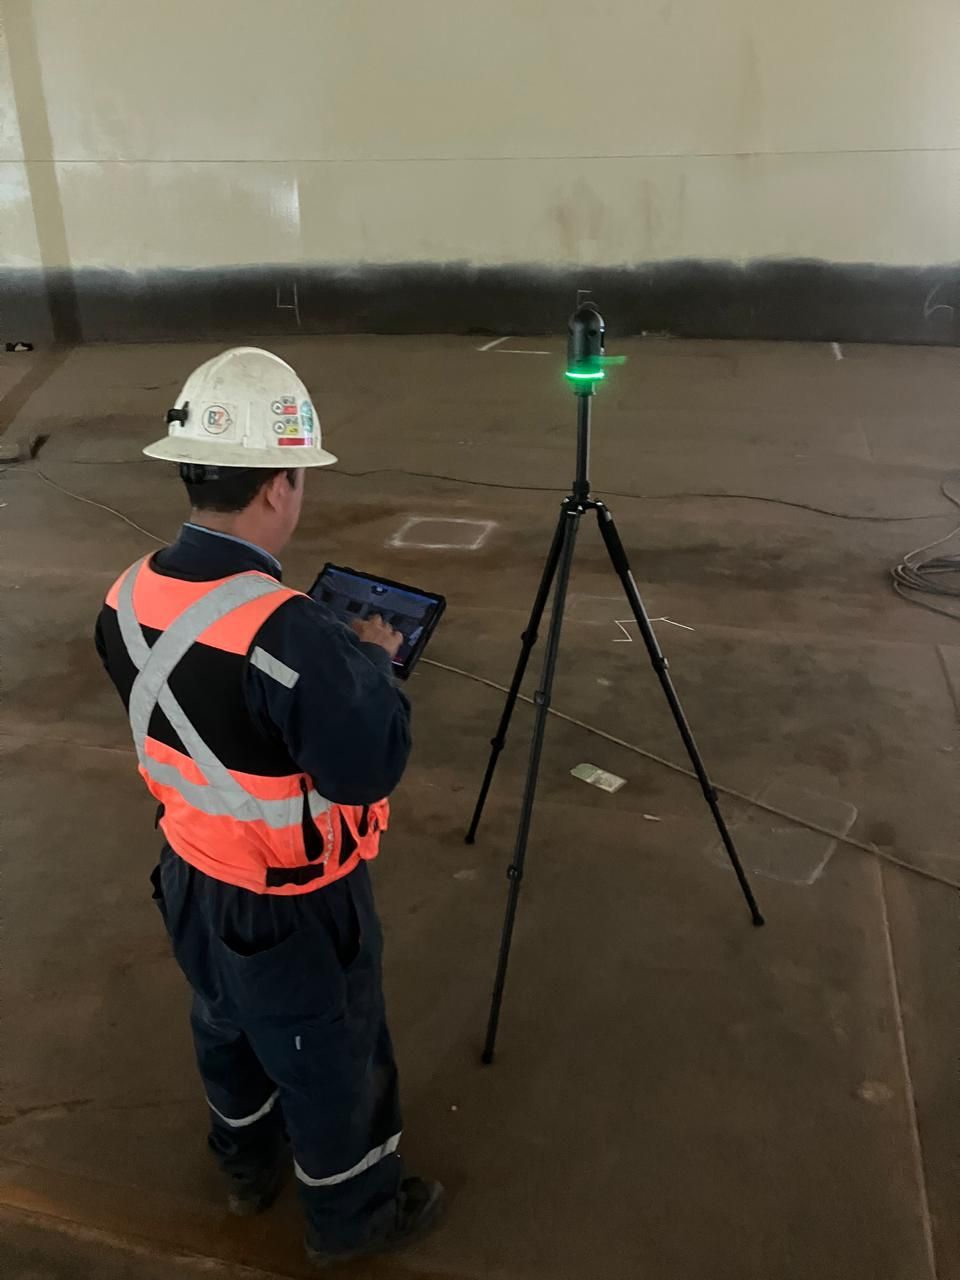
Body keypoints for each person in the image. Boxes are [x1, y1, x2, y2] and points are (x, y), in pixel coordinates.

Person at [94, 347, 444, 1265]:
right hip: (292, 906)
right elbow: (368, 767)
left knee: (224, 1027)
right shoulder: (290, 632)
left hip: (191, 880)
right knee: (332, 1064)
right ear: (279, 486)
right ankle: (352, 1220)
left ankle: (246, 1168)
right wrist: (365, 660)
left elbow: (212, 718)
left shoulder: (123, 602)